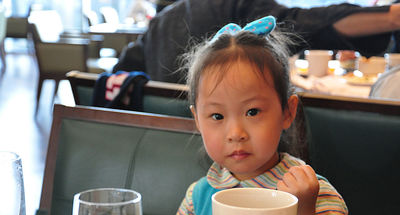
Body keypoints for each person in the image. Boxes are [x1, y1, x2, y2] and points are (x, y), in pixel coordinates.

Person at [157, 16, 350, 215]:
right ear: (197, 119)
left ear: (288, 112)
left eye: (252, 112)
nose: (236, 132)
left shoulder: (313, 195)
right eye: (217, 115)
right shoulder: (199, 197)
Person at [113, 0, 400, 84]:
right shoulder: (234, 4)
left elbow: (119, 73)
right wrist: (390, 17)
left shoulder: (161, 22)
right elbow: (305, 24)